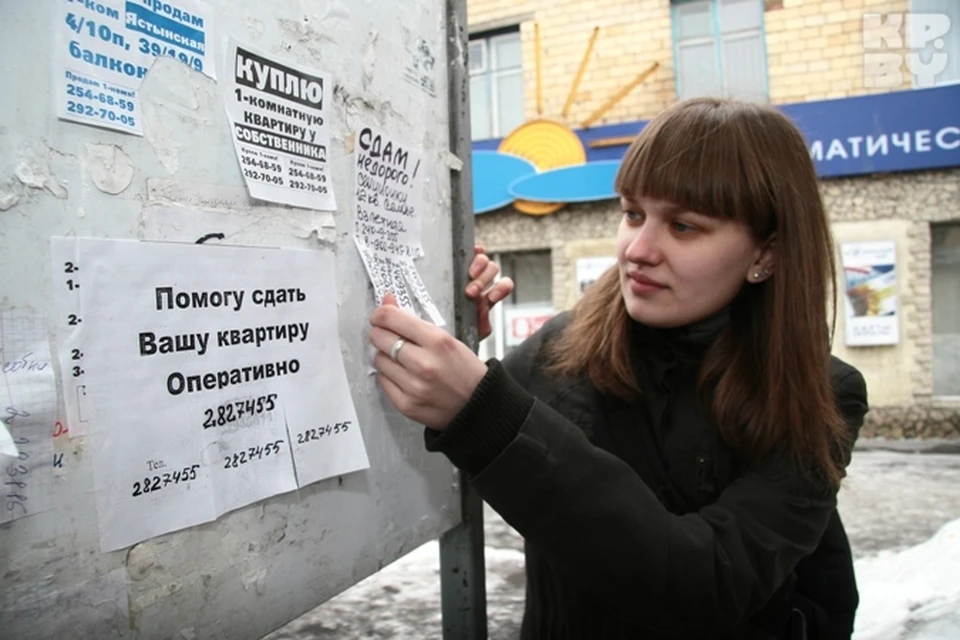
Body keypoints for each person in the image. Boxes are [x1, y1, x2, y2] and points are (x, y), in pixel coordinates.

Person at [368, 97, 869, 639]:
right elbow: (448, 444)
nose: (638, 249)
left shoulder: (822, 395)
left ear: (765, 255)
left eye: (682, 226)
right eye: (633, 214)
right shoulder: (562, 347)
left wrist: (484, 410)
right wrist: (455, 341)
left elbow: (705, 585)